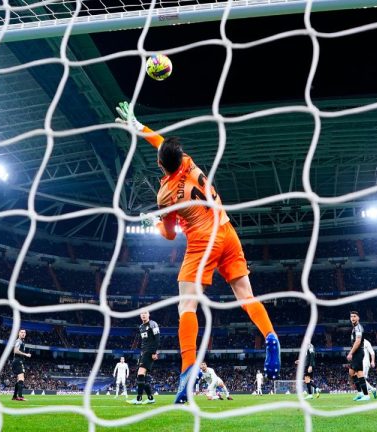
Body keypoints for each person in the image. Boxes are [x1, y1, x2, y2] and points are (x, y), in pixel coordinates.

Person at [115, 101, 280, 404]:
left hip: (204, 242)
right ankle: (270, 335)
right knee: (246, 296)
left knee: (186, 306)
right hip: (228, 230)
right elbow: (161, 142)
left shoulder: (165, 194)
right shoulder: (188, 161)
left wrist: (154, 220)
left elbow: (167, 235)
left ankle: (188, 370)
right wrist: (137, 126)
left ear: (161, 165)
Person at [128, 310, 159, 405]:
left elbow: (157, 338)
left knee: (140, 374)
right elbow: (144, 341)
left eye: (145, 313)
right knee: (142, 377)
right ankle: (150, 398)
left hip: (150, 352)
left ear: (149, 314)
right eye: (142, 313)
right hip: (143, 353)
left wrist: (154, 352)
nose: (143, 315)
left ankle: (139, 399)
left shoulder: (153, 324)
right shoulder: (141, 326)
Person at [347, 311, 370, 401]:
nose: (352, 318)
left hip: (358, 352)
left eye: (354, 316)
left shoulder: (358, 328)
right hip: (356, 352)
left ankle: (366, 395)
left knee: (359, 373)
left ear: (358, 318)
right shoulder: (354, 328)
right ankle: (360, 393)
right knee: (351, 372)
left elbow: (358, 342)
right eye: (351, 316)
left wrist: (351, 353)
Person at [11, 329, 31, 402]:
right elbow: (15, 351)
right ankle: (20, 396)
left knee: (19, 379)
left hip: (18, 361)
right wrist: (26, 354)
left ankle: (15, 396)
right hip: (18, 361)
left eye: (24, 332)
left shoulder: (22, 342)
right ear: (18, 333)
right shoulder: (18, 341)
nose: (23, 333)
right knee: (21, 378)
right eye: (22, 332)